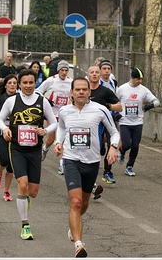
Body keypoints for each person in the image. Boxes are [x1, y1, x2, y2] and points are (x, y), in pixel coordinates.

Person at [54, 77, 120, 257]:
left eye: (84, 89)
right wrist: (59, 142)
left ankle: (74, 224)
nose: (81, 92)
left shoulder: (100, 110)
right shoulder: (65, 110)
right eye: (78, 90)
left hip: (91, 162)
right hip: (71, 160)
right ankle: (78, 244)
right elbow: (61, 128)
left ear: (89, 92)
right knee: (75, 202)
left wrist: (113, 148)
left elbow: (114, 132)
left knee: (83, 203)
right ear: (72, 92)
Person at [0, 69, 57, 240]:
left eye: (31, 82)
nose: (28, 86)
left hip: (35, 149)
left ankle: (25, 199)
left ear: (35, 83)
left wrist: (44, 130)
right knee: (22, 185)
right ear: (19, 84)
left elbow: (54, 123)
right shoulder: (12, 101)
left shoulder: (42, 101)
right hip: (17, 148)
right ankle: (25, 224)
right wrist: (6, 128)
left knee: (33, 191)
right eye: (25, 83)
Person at [116, 67, 160, 176]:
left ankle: (129, 166)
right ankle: (121, 151)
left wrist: (149, 106)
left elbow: (156, 101)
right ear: (132, 78)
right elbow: (114, 101)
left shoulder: (143, 90)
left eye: (141, 79)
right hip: (124, 121)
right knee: (127, 144)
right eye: (138, 79)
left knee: (135, 146)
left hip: (138, 122)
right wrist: (115, 113)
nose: (140, 81)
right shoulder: (122, 89)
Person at [87, 65, 122, 196]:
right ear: (88, 75)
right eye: (92, 72)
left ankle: (106, 172)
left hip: (104, 124)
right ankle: (90, 183)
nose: (95, 74)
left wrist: (107, 106)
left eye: (97, 72)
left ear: (100, 75)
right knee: (91, 152)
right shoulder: (83, 90)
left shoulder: (106, 91)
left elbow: (120, 107)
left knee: (101, 150)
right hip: (86, 126)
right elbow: (71, 103)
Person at [36, 60, 72, 174]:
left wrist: (70, 104)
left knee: (63, 140)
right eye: (62, 70)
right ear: (58, 70)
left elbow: (73, 95)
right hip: (51, 113)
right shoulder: (51, 80)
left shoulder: (71, 82)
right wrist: (46, 100)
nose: (64, 72)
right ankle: (45, 149)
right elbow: (38, 91)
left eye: (66, 70)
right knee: (51, 139)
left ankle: (62, 164)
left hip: (64, 114)